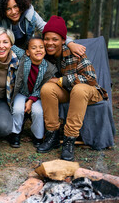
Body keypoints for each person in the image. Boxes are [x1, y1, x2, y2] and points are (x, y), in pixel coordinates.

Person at [37, 16, 108, 161]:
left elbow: (91, 78)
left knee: (79, 89)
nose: (50, 43)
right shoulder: (43, 53)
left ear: (63, 40)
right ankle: (52, 135)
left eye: (55, 39)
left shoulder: (73, 52)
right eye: (47, 39)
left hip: (89, 91)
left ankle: (69, 140)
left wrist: (62, 80)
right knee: (47, 88)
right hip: (69, 92)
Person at [0, 0, 86, 63]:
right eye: (8, 9)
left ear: (21, 5)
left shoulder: (30, 15)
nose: (13, 12)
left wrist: (70, 43)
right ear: (3, 11)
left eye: (16, 6)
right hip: (8, 55)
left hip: (28, 54)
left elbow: (49, 29)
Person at [10, 37, 57, 148]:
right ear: (27, 52)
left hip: (38, 95)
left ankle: (38, 136)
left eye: (41, 47)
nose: (38, 50)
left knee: (38, 112)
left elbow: (43, 87)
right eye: (34, 48)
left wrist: (31, 100)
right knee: (17, 109)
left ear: (45, 51)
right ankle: (15, 133)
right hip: (22, 92)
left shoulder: (50, 68)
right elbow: (11, 46)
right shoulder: (24, 58)